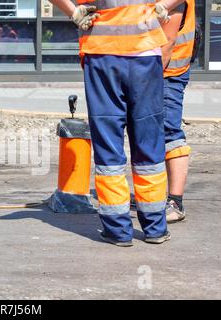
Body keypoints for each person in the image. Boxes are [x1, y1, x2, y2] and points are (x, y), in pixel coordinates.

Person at [49, 0, 186, 246]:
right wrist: (166, 4)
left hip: (102, 54)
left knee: (108, 142)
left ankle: (118, 229)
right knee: (149, 140)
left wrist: (74, 12)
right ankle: (154, 227)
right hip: (144, 53)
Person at [160, 0, 195, 223]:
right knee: (148, 133)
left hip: (167, 71)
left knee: (169, 132)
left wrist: (147, 78)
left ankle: (175, 201)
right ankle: (152, 194)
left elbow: (168, 41)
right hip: (160, 69)